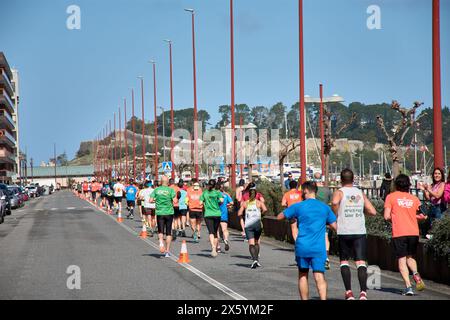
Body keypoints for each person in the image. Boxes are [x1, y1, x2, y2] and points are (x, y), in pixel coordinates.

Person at [277, 181, 337, 300]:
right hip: (318, 248)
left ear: (305, 191)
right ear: (315, 191)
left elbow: (279, 217)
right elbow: (335, 227)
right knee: (319, 276)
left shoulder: (298, 206)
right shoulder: (325, 208)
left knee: (303, 274)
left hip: (302, 247)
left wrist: (292, 216)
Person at [331, 169, 377, 300]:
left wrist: (336, 214)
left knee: (344, 261)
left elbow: (334, 203)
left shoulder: (339, 192)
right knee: (360, 262)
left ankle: (349, 292)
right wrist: (362, 213)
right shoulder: (360, 193)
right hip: (359, 231)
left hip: (344, 230)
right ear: (353, 179)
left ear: (341, 179)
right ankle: (363, 293)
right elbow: (373, 211)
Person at [384, 174, 427, 296]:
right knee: (410, 256)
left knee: (402, 259)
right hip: (413, 232)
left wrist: (396, 218)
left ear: (396, 185)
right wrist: (411, 217)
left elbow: (386, 216)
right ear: (408, 185)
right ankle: (415, 273)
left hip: (399, 232)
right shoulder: (414, 199)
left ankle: (408, 287)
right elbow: (424, 215)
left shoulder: (391, 197)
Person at [238, 188, 267, 268]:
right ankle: (257, 260)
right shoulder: (259, 203)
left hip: (249, 225)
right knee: (257, 241)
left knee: (251, 243)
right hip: (258, 224)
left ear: (249, 195)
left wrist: (244, 214)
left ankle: (254, 259)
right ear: (256, 194)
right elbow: (265, 209)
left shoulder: (245, 203)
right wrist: (260, 214)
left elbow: (239, 213)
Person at [150, 176, 177, 257]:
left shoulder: (156, 190)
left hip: (160, 212)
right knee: (168, 232)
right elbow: (175, 201)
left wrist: (156, 200)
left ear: (160, 182)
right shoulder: (171, 190)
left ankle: (161, 243)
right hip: (169, 212)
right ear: (168, 182)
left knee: (160, 230)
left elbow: (150, 200)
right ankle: (167, 251)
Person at [313, 172, 333, 270]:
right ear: (322, 179)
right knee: (325, 236)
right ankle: (326, 257)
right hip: (325, 215)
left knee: (314, 236)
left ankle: (316, 257)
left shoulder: (312, 191)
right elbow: (331, 203)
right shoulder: (327, 191)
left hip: (313, 216)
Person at [200, 179, 224, 257]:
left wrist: (205, 203)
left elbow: (200, 203)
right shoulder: (218, 192)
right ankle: (215, 247)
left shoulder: (205, 193)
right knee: (215, 232)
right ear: (215, 185)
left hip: (208, 214)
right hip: (217, 214)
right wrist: (216, 202)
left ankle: (213, 248)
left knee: (211, 232)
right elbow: (221, 201)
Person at [420, 168, 445, 239]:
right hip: (432, 207)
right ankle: (433, 239)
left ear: (442, 175)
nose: (437, 175)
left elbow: (438, 195)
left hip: (439, 207)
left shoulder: (442, 184)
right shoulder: (432, 185)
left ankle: (438, 240)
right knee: (432, 225)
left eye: (439, 173)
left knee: (438, 225)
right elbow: (428, 198)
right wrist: (424, 190)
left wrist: (428, 189)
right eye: (435, 173)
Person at [217, 183, 233, 252]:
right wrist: (227, 205)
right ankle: (226, 239)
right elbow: (232, 203)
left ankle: (218, 247)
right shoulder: (226, 195)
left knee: (216, 231)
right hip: (224, 213)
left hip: (216, 214)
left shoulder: (215, 194)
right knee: (224, 229)